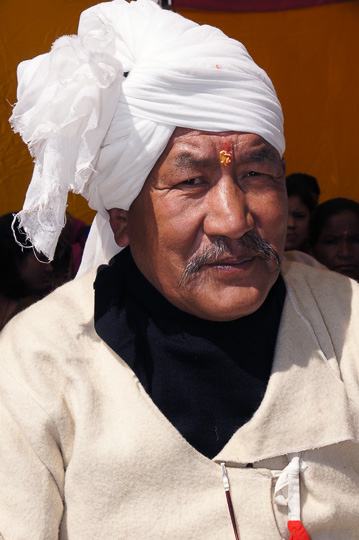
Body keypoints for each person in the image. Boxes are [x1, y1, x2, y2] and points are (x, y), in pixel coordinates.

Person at [1, 2, 359, 539]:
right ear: (122, 220)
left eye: (258, 174)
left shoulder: (348, 322)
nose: (235, 219)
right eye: (191, 182)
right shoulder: (38, 361)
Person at [0, 212, 53, 328]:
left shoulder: (38, 311)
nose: (49, 268)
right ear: (16, 257)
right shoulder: (33, 313)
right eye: (41, 258)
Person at [309, 197, 359, 281]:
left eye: (356, 240)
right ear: (311, 249)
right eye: (331, 242)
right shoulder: (298, 291)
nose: (345, 253)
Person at [285, 177, 317, 252]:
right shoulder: (255, 261)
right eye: (282, 216)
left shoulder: (318, 261)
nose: (291, 224)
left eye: (299, 216)